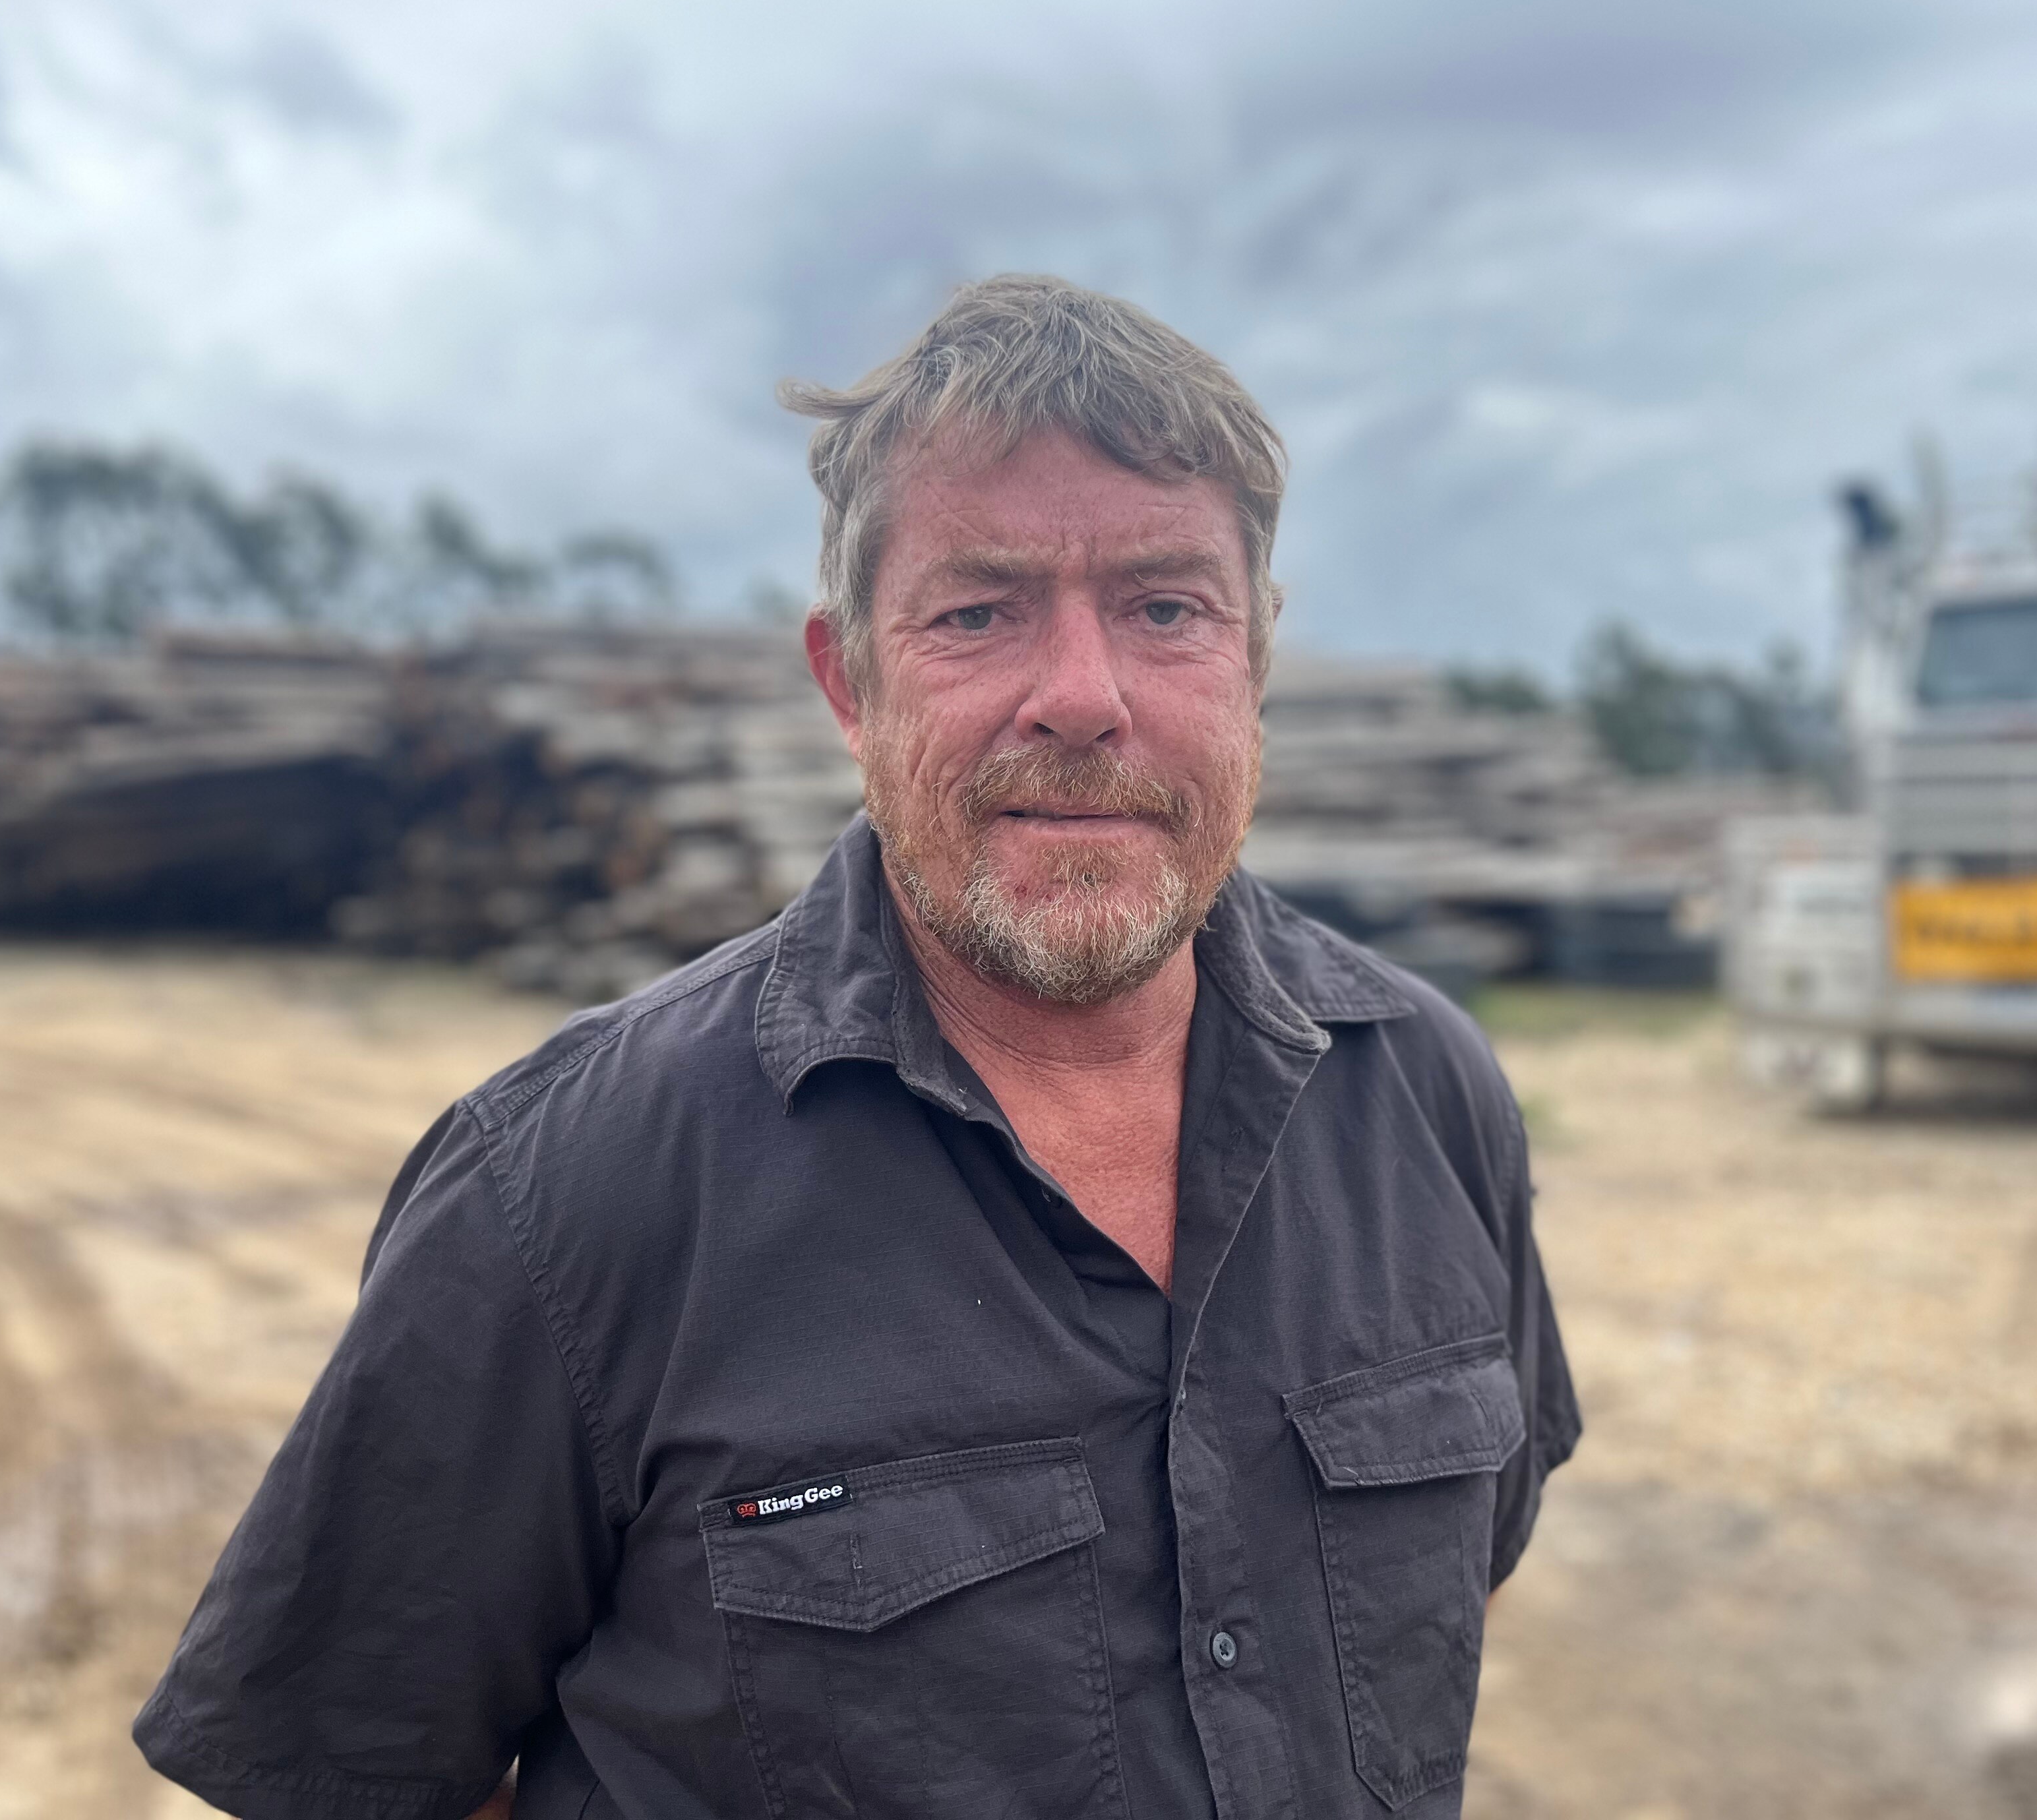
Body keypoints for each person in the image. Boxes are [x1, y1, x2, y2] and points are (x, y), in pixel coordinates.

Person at [135, 274, 1579, 1820]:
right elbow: (350, 1774)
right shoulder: (566, 1191)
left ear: (1255, 664)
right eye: (978, 612)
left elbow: (1451, 1591)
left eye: (1166, 607)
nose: (1083, 698)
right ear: (849, 681)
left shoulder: (1425, 1095)